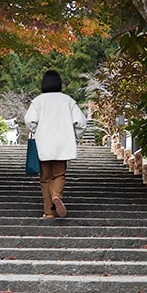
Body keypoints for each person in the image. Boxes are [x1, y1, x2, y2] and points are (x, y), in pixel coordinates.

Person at [24, 70, 87, 218]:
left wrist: (37, 130)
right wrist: (76, 136)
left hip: (44, 143)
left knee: (45, 178)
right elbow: (81, 122)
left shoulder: (38, 101)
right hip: (63, 143)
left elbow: (29, 120)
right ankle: (56, 196)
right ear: (59, 84)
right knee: (59, 174)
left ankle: (49, 212)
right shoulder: (68, 100)